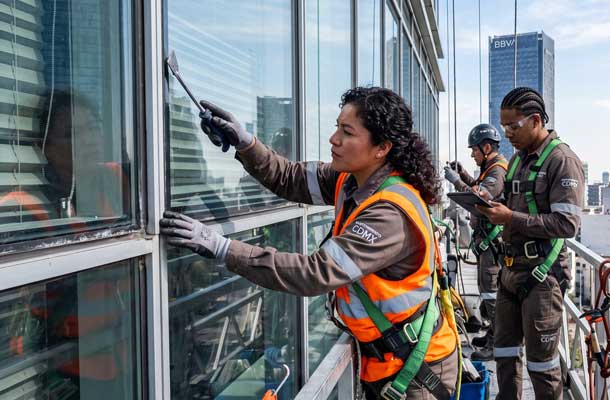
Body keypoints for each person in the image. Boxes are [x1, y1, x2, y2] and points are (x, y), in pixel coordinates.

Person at [160, 87, 458, 400]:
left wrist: (223, 249)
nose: (334, 139)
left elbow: (315, 273)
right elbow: (290, 178)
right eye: (336, 127)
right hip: (389, 361)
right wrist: (245, 143)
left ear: (381, 147)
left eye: (347, 132)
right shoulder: (353, 179)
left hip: (415, 373)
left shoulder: (389, 213)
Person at [476, 87, 585, 400]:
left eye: (513, 126)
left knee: (542, 364)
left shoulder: (562, 161)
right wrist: (487, 202)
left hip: (542, 276)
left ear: (536, 120)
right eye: (504, 127)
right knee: (505, 351)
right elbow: (513, 204)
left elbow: (567, 224)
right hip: (510, 270)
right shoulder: (519, 161)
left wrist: (509, 218)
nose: (507, 134)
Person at [443, 123, 507, 361]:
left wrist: (456, 182)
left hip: (492, 242)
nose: (472, 154)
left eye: (475, 150)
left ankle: (497, 344)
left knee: (491, 292)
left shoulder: (497, 170)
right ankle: (492, 335)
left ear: (487, 147)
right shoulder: (490, 168)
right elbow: (478, 188)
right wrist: (462, 176)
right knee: (487, 290)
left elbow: (480, 198)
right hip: (487, 242)